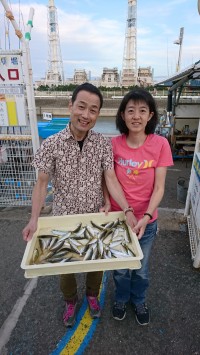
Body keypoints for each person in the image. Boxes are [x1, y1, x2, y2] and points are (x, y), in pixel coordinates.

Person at [22, 82, 136, 327]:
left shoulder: (103, 144)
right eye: (81, 107)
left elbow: (110, 178)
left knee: (97, 261)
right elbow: (41, 184)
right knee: (66, 263)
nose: (86, 114)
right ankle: (70, 300)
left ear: (97, 114)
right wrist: (34, 219)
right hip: (64, 216)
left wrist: (125, 209)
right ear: (70, 105)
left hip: (96, 216)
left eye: (93, 110)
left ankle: (92, 295)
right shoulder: (51, 143)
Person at [109, 88, 173, 325]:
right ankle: (121, 297)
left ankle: (139, 299)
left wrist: (146, 216)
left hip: (147, 221)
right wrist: (124, 211)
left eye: (142, 111)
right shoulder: (113, 144)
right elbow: (109, 179)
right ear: (122, 115)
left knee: (140, 267)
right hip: (119, 220)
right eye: (131, 110)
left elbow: (159, 188)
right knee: (120, 268)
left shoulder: (160, 145)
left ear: (150, 115)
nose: (136, 116)